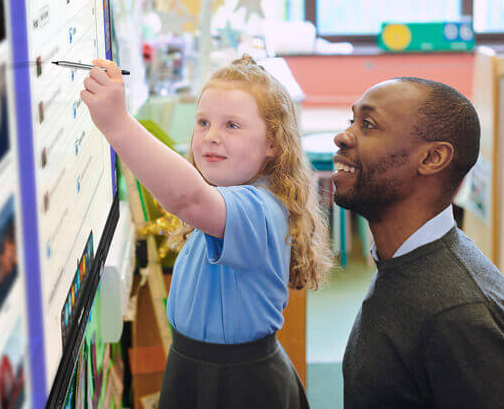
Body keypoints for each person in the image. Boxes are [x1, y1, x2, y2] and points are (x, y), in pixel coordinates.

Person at [81, 55, 333, 408]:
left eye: (232, 125)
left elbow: (188, 198)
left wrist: (118, 124)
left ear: (273, 144)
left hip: (239, 383)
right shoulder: (232, 197)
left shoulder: (259, 208)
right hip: (197, 369)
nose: (211, 136)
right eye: (203, 123)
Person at [335, 78, 504, 409]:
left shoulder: (460, 314)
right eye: (351, 120)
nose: (343, 136)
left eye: (367, 124)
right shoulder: (401, 261)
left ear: (432, 158)